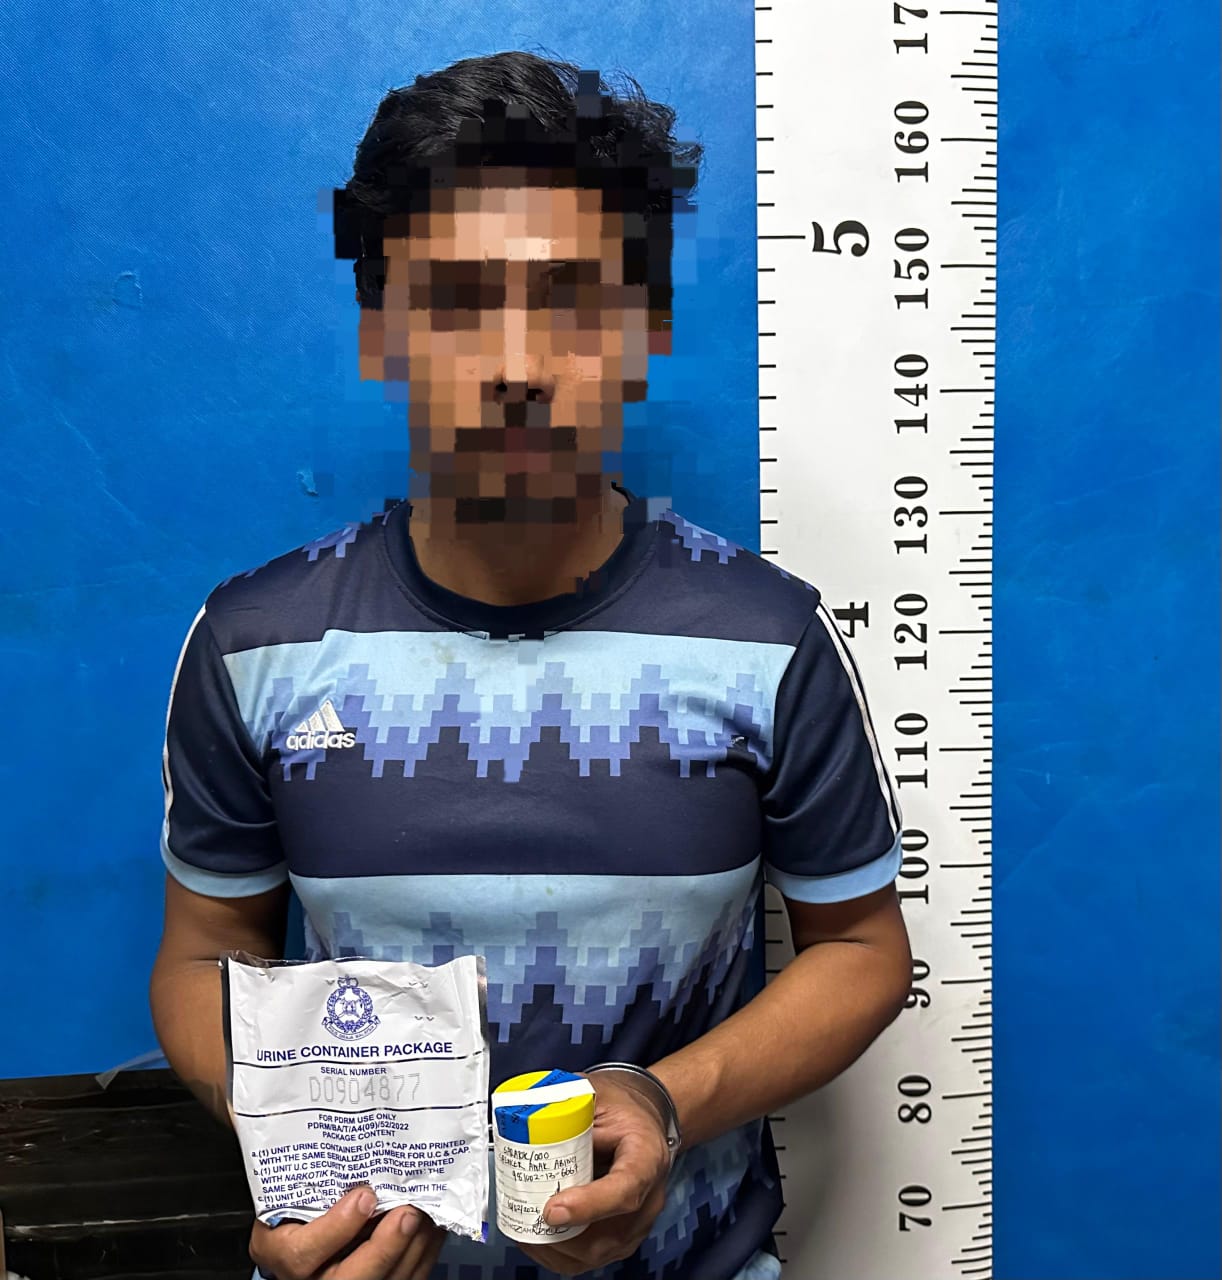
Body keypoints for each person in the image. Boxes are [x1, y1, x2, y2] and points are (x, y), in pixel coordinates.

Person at [149, 50, 913, 1280]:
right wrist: (297, 1140)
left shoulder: (767, 641)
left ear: (648, 330)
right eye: (456, 300)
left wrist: (663, 1099)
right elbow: (206, 948)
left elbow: (862, 949)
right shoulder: (256, 643)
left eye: (571, 298)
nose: (515, 363)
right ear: (380, 334)